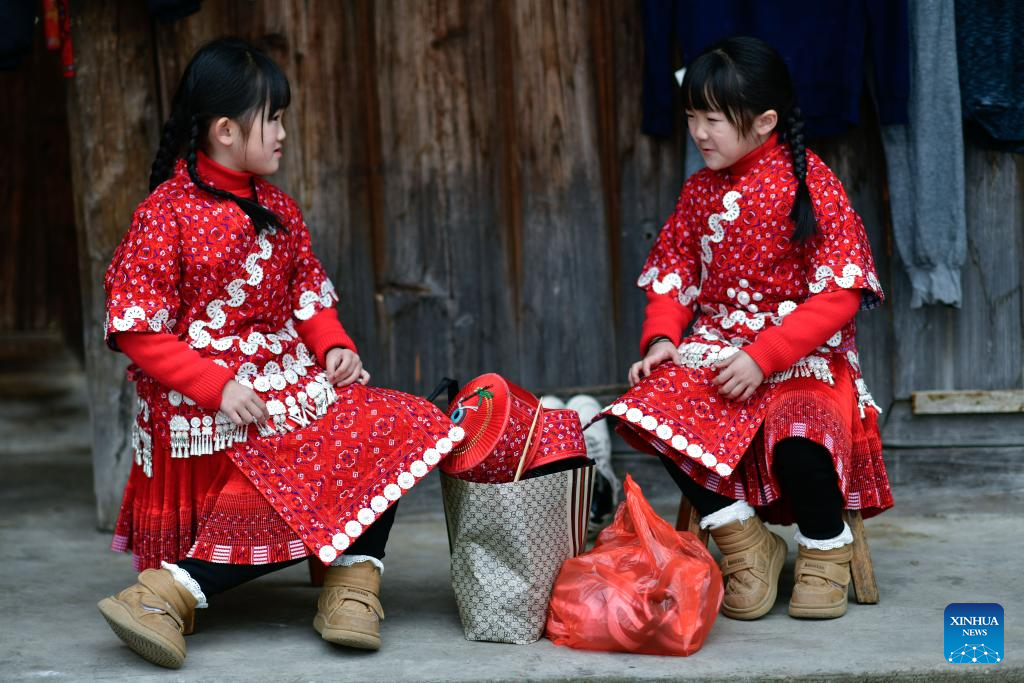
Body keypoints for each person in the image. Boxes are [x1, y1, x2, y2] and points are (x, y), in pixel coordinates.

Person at [97, 37, 463, 667]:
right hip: (208, 395)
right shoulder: (165, 214)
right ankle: (167, 594)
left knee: (403, 424)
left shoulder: (279, 209)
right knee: (304, 458)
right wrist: (220, 387)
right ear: (224, 130)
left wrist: (335, 350)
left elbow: (309, 300)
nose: (283, 133)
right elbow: (137, 330)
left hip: (288, 382)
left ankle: (352, 578)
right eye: (273, 118)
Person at [598, 36, 893, 621]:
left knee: (800, 428)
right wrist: (661, 341)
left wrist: (766, 354)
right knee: (650, 405)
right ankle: (741, 540)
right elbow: (673, 272)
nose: (700, 133)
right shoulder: (699, 190)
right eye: (691, 118)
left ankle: (824, 548)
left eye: (713, 119)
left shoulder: (811, 183)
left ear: (764, 122)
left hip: (802, 354)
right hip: (714, 348)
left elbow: (842, 292)